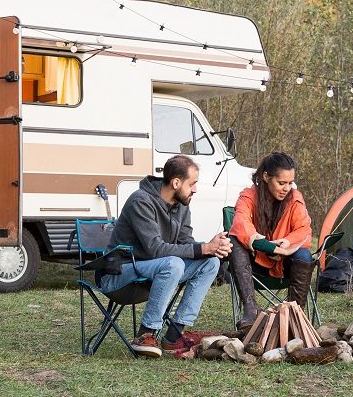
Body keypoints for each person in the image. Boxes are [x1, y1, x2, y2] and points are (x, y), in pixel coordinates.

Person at [100, 155, 232, 358]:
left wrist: (213, 249)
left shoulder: (182, 205)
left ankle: (175, 333)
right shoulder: (140, 201)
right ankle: (146, 333)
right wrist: (204, 247)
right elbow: (155, 249)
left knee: (210, 263)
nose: (195, 189)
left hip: (153, 272)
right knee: (173, 264)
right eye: (193, 183)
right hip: (119, 273)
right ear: (176, 182)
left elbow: (186, 243)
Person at [228, 151, 314, 330]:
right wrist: (269, 247)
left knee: (304, 255)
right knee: (234, 240)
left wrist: (287, 243)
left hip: (285, 264)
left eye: (290, 183)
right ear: (266, 177)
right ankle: (251, 311)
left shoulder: (295, 198)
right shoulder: (248, 196)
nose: (287, 188)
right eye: (281, 183)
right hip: (256, 263)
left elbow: (304, 229)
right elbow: (240, 223)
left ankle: (294, 315)